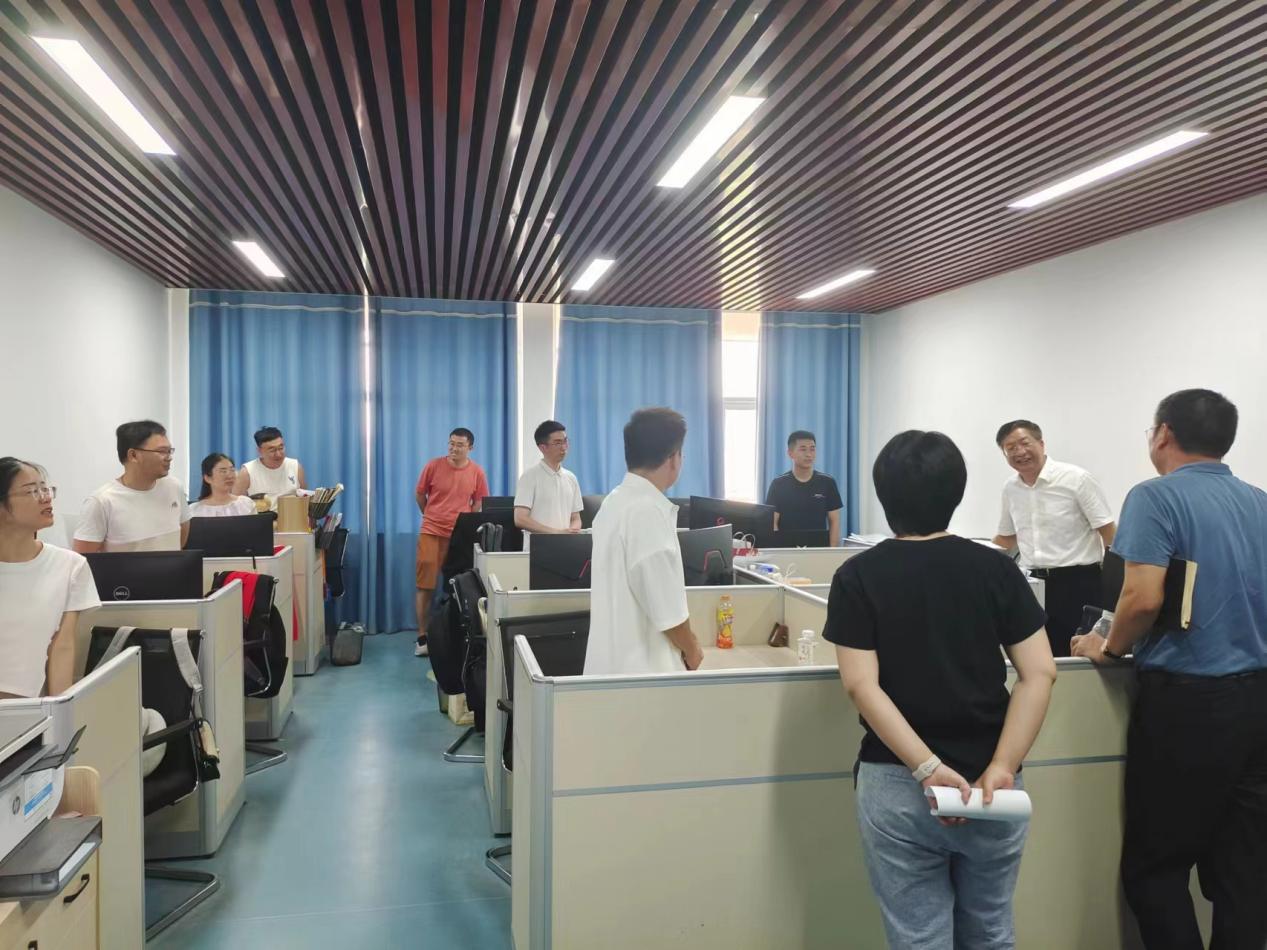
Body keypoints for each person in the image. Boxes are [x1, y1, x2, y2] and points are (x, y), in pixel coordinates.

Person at [825, 430, 1057, 949]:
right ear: (956, 491)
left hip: (897, 782)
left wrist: (928, 769)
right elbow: (1039, 673)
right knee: (991, 930)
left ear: (884, 496)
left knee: (919, 938)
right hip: (991, 784)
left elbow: (861, 686)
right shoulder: (995, 568)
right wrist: (1003, 766)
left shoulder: (858, 575)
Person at [1072, 389, 1267, 950]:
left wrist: (1108, 649)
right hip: (1257, 702)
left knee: (1156, 867)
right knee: (1243, 869)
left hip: (1189, 704)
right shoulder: (1258, 501)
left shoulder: (1155, 497)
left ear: (1163, 434)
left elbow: (1141, 599)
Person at [584, 407, 703, 675]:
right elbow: (668, 613)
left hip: (612, 665)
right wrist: (693, 649)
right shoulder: (646, 511)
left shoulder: (615, 501)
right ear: (673, 458)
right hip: (642, 672)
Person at [991, 420, 1116, 657]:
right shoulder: (1010, 488)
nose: (1019, 452)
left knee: (1076, 658)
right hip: (1032, 585)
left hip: (1078, 583)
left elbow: (1108, 533)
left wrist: (1114, 586)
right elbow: (1006, 539)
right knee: (1036, 654)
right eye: (1010, 448)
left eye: (1024, 443)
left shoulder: (1076, 479)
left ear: (1041, 443)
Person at [0, 458, 100, 698]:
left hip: (24, 710)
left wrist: (60, 714)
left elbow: (62, 647)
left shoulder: (70, 566)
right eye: (32, 491)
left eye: (46, 489)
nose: (46, 498)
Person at [414, 428, 488, 656]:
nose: (454, 448)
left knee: (458, 585)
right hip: (431, 531)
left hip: (459, 535)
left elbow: (478, 502)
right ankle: (422, 637)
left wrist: (465, 522)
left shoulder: (477, 472)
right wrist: (431, 515)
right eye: (451, 443)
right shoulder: (433, 466)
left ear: (470, 448)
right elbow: (420, 495)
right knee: (425, 585)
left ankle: (457, 634)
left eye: (460, 445)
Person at [73, 420, 191, 553]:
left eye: (169, 451)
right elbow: (82, 558)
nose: (169, 457)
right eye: (162, 451)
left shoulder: (174, 487)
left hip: (171, 567)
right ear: (133, 455)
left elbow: (180, 540)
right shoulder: (101, 501)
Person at [765, 430, 844, 544]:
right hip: (787, 549)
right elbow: (773, 523)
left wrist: (831, 551)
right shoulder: (778, 484)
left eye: (812, 449)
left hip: (818, 549)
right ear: (790, 453)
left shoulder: (827, 482)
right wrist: (779, 548)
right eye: (803, 449)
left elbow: (834, 522)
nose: (809, 454)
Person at [513, 420, 582, 537]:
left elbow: (576, 518)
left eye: (565, 441)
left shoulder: (571, 478)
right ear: (543, 447)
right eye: (558, 443)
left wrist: (571, 532)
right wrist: (555, 533)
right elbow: (520, 518)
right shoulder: (529, 476)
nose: (564, 447)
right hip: (538, 546)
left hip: (566, 544)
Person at [234, 426, 306, 498]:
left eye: (281, 448)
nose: (278, 454)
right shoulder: (247, 472)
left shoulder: (295, 466)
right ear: (259, 451)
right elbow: (236, 502)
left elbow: (305, 498)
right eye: (272, 450)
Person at [190, 453, 256, 517]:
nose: (230, 476)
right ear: (208, 478)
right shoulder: (194, 510)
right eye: (223, 471)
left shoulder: (246, 504)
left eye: (232, 470)